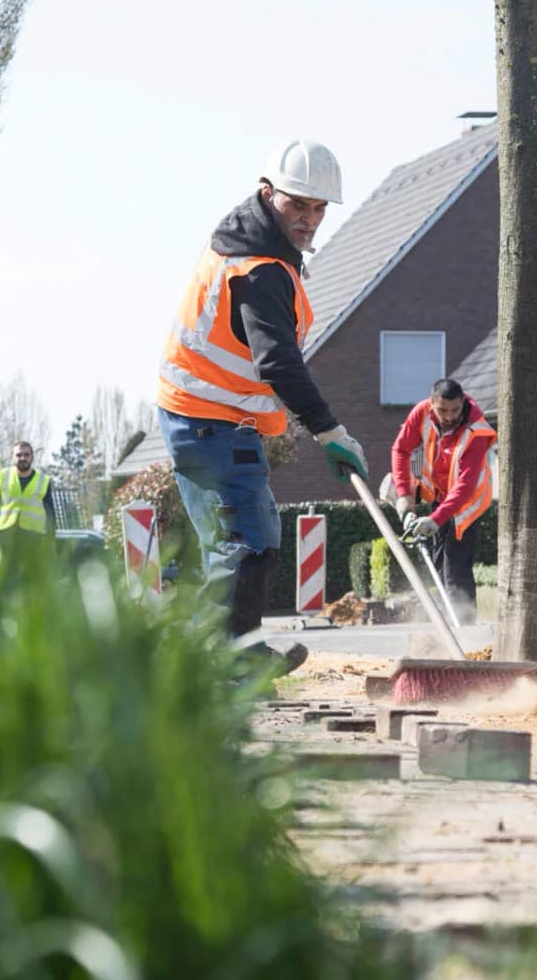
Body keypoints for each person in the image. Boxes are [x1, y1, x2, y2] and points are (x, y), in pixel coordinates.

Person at [156, 139, 368, 672]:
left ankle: (217, 657)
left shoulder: (251, 244)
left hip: (199, 415)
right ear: (267, 193)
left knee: (233, 542)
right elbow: (278, 363)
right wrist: (329, 431)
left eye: (320, 209)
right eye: (298, 205)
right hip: (211, 421)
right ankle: (227, 663)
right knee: (248, 539)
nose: (310, 219)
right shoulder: (259, 268)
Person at [389, 378, 496, 624]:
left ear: (463, 404)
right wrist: (405, 496)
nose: (449, 417)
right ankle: (447, 624)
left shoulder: (476, 430)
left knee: (455, 568)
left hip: (467, 504)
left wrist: (436, 519)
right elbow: (400, 450)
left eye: (455, 410)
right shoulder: (422, 413)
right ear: (432, 404)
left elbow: (465, 486)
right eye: (442, 410)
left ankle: (465, 629)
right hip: (438, 496)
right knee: (438, 565)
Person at [0, 441, 56, 537]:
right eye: (18, 455)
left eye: (26, 455)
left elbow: (50, 512)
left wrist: (50, 536)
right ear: (12, 457)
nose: (22, 458)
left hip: (33, 537)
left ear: (32, 457)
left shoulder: (43, 480)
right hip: (5, 535)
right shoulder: (2, 476)